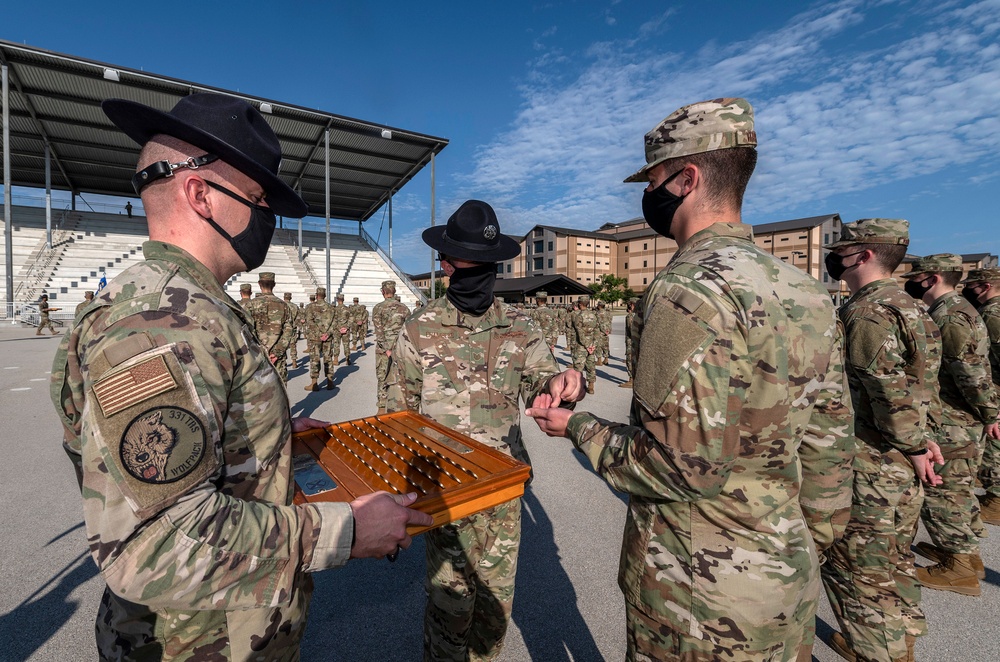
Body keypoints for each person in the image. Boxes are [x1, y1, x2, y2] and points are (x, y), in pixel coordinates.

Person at [50, 93, 431, 660]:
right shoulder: (165, 318)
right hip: (199, 639)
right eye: (254, 197)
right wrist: (344, 532)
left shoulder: (181, 304)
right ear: (200, 193)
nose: (266, 218)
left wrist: (274, 438)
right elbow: (154, 541)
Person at [528, 98, 855, 662]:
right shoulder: (803, 289)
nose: (645, 195)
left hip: (698, 602)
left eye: (652, 180)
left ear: (687, 178)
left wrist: (577, 427)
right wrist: (791, 552)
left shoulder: (687, 292)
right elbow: (830, 451)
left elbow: (678, 466)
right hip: (782, 586)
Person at [386, 199, 585, 661]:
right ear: (447, 264)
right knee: (452, 609)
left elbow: (541, 378)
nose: (481, 274)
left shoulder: (519, 327)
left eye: (490, 265)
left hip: (502, 490)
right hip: (446, 493)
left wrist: (561, 382)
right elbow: (395, 418)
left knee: (495, 612)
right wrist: (395, 496)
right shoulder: (419, 331)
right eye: (470, 263)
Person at [821, 219, 944, 662]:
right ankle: (902, 635)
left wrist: (912, 445)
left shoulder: (869, 311)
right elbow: (919, 384)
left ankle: (876, 650)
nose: (835, 257)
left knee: (858, 567)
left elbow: (887, 389)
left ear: (865, 255)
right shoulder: (912, 307)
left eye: (844, 249)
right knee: (894, 555)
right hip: (903, 455)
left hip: (872, 460)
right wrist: (919, 442)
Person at [901, 254, 997, 596]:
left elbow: (971, 373)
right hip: (957, 417)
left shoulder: (951, 315)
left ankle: (958, 569)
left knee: (943, 495)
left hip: (952, 420)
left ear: (932, 279)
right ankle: (965, 557)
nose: (911, 280)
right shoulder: (952, 310)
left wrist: (991, 414)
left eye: (918, 276)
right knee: (957, 491)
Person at [963, 267, 1000, 525]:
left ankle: (996, 499)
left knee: (994, 444)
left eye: (972, 286)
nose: (968, 290)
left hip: (995, 387)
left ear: (985, 286)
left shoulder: (992, 314)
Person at [246, 272, 295, 383]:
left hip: (257, 356)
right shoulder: (283, 305)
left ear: (259, 284)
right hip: (278, 356)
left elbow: (246, 330)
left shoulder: (250, 305)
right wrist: (277, 352)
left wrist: (258, 351)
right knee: (280, 389)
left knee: (259, 391)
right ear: (274, 284)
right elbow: (289, 330)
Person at [372, 280, 410, 413]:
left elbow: (379, 331)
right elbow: (408, 331)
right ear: (394, 291)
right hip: (400, 349)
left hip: (383, 350)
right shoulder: (404, 308)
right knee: (399, 377)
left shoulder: (378, 308)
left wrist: (386, 348)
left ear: (383, 292)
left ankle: (382, 408)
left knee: (382, 376)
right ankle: (399, 406)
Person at [304, 287, 336, 391]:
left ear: (316, 295)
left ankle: (314, 384)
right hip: (327, 337)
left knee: (315, 359)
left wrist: (319, 334)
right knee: (328, 358)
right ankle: (330, 382)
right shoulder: (331, 307)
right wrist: (327, 333)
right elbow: (334, 323)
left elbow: (309, 322)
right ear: (325, 296)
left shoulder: (310, 307)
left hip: (314, 338)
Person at [570, 295, 599, 393]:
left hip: (582, 346)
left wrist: (586, 346)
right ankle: (591, 387)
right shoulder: (594, 315)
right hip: (591, 345)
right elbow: (597, 331)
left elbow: (580, 332)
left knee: (578, 367)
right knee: (591, 365)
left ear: (580, 304)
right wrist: (593, 345)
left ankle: (579, 387)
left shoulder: (579, 316)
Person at [332, 293, 352, 366]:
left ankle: (336, 359)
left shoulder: (334, 310)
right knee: (346, 344)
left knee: (336, 344)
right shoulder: (347, 309)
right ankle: (347, 359)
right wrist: (346, 327)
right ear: (343, 300)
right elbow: (351, 319)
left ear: (337, 300)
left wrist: (338, 328)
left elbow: (333, 320)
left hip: (337, 330)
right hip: (346, 330)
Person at [619, 298, 636, 388]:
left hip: (632, 343)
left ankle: (631, 380)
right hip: (639, 343)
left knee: (630, 361)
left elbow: (631, 330)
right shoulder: (641, 315)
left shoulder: (630, 316)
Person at [283, 291, 299, 367]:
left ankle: (284, 362)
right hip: (292, 328)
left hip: (283, 329)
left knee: (283, 346)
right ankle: (294, 361)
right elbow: (298, 319)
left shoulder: (281, 305)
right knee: (293, 345)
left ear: (284, 297)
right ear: (291, 298)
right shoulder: (295, 306)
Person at [595, 300, 611, 365]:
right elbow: (610, 321)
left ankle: (599, 361)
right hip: (606, 331)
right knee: (606, 345)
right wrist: (608, 330)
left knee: (598, 346)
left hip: (600, 332)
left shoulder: (598, 313)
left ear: (599, 306)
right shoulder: (608, 313)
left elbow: (599, 323)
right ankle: (606, 359)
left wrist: (603, 330)